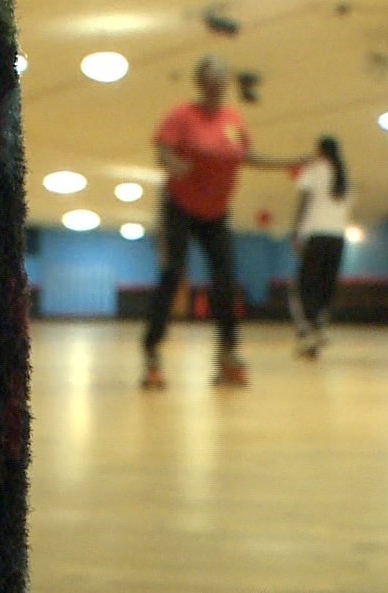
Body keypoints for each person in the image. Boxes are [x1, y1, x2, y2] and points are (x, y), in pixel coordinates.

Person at [142, 56, 302, 389]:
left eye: (223, 77)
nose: (219, 83)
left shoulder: (233, 119)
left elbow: (247, 156)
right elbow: (163, 149)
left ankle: (227, 353)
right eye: (212, 77)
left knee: (226, 279)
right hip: (179, 207)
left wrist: (288, 162)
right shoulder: (182, 115)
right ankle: (152, 352)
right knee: (173, 273)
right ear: (200, 82)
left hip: (215, 213)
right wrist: (174, 164)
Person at [288, 135, 352, 359]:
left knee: (304, 287)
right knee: (326, 285)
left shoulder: (314, 169)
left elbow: (304, 200)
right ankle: (320, 328)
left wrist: (296, 230)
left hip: (316, 236)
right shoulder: (344, 174)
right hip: (338, 238)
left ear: (320, 150)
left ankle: (307, 331)